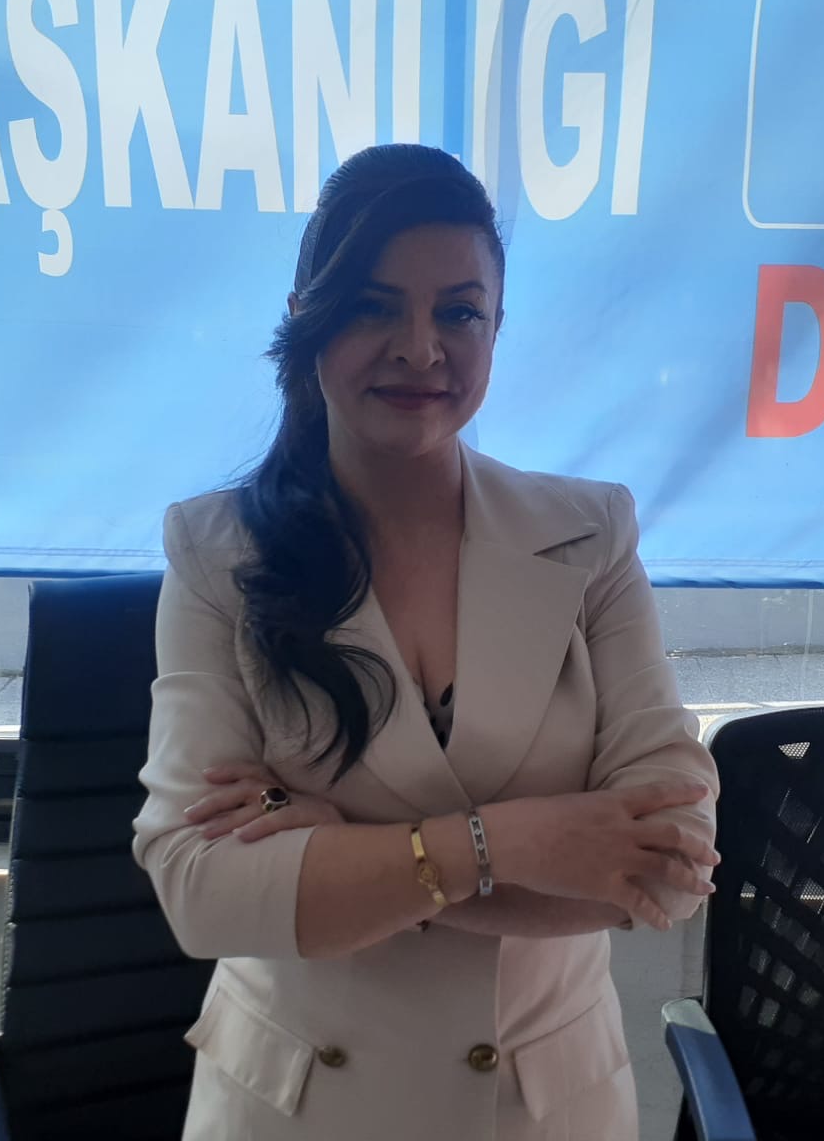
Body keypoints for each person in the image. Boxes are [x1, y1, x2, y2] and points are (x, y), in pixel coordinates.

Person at [131, 144, 720, 1141]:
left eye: (458, 312)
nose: (418, 348)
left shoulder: (588, 535)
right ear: (307, 317)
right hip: (299, 1110)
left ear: (497, 327)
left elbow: (668, 861)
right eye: (372, 306)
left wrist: (344, 855)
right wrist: (517, 844)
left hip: (542, 1109)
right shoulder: (217, 551)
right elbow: (202, 891)